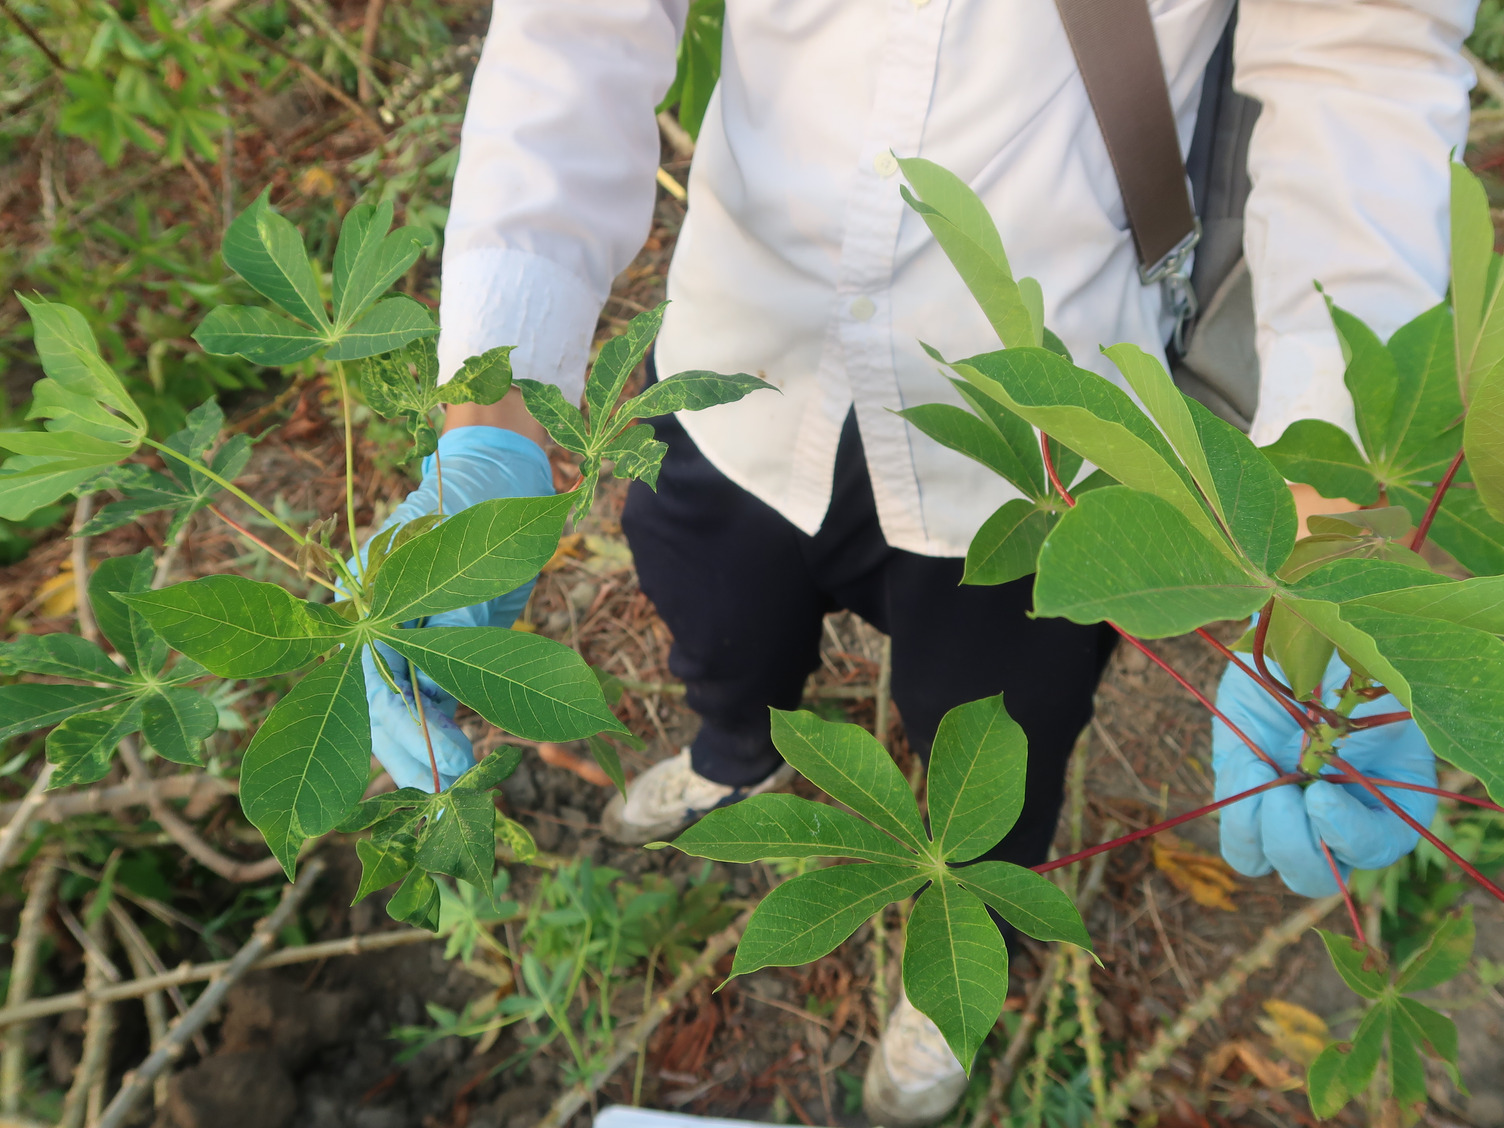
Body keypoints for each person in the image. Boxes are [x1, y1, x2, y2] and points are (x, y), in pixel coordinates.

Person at [366, 1, 1474, 1122]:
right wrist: (489, 417)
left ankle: (953, 968)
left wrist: (1325, 545)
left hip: (1040, 427)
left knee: (1000, 743)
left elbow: (1359, 49)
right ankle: (734, 757)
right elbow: (574, 28)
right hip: (734, 354)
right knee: (715, 612)